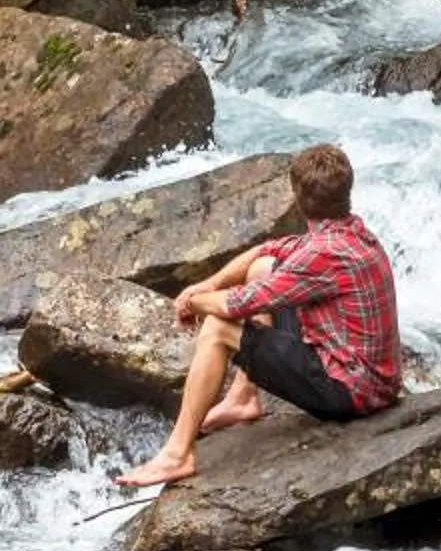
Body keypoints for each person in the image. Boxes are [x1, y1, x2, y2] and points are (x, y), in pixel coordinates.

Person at [114, 143, 401, 489]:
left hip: (351, 392)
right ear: (346, 192)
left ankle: (178, 454)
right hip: (368, 375)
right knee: (264, 267)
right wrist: (208, 283)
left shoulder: (323, 254)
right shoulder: (350, 233)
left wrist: (193, 302)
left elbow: (237, 306)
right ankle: (242, 397)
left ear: (296, 196)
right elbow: (266, 251)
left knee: (220, 329)